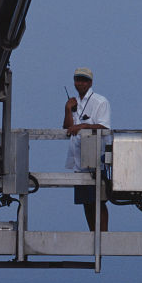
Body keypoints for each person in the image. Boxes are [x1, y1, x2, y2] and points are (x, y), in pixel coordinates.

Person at [63, 67, 111, 231]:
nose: (80, 83)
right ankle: (93, 232)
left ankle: (102, 234)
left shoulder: (100, 101)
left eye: (83, 80)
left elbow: (104, 126)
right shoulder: (74, 102)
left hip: (96, 158)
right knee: (86, 201)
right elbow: (67, 127)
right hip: (78, 159)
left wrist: (84, 125)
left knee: (99, 200)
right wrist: (67, 109)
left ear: (90, 82)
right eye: (77, 79)